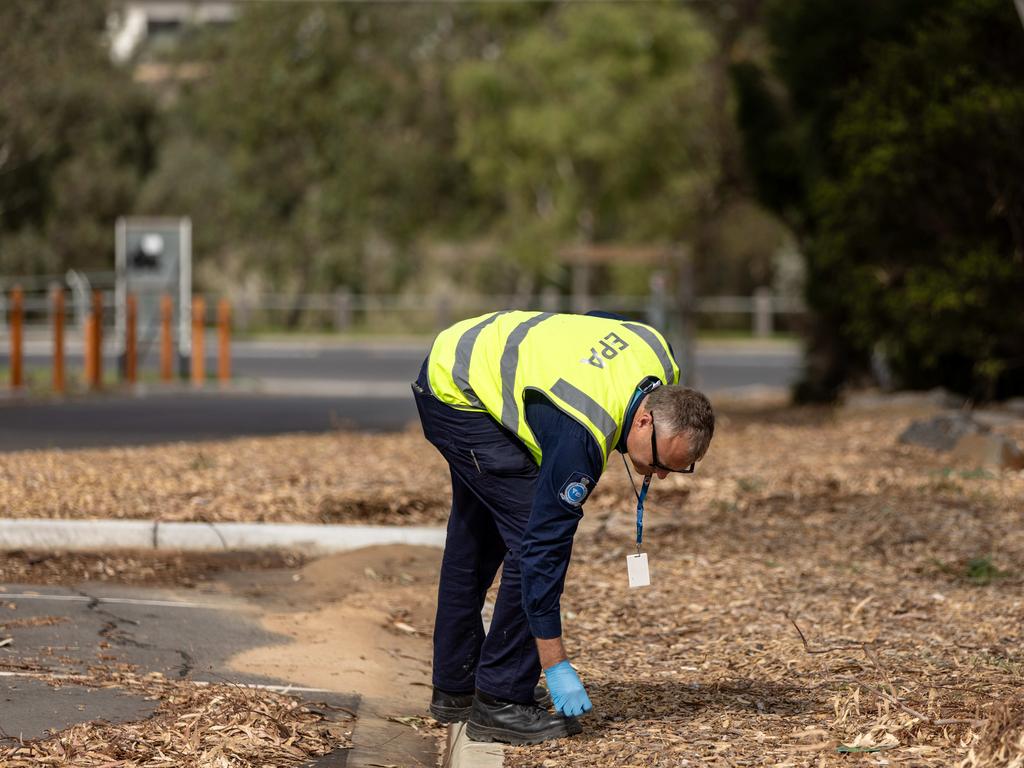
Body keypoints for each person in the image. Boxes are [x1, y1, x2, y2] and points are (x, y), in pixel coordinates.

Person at [412, 310, 714, 745]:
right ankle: (501, 701)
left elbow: (596, 321)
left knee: (476, 536)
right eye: (662, 462)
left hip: (464, 355)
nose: (662, 476)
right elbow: (541, 552)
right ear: (645, 420)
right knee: (527, 538)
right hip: (457, 394)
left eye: (678, 469)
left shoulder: (659, 354)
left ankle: (456, 686)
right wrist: (555, 664)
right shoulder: (581, 436)